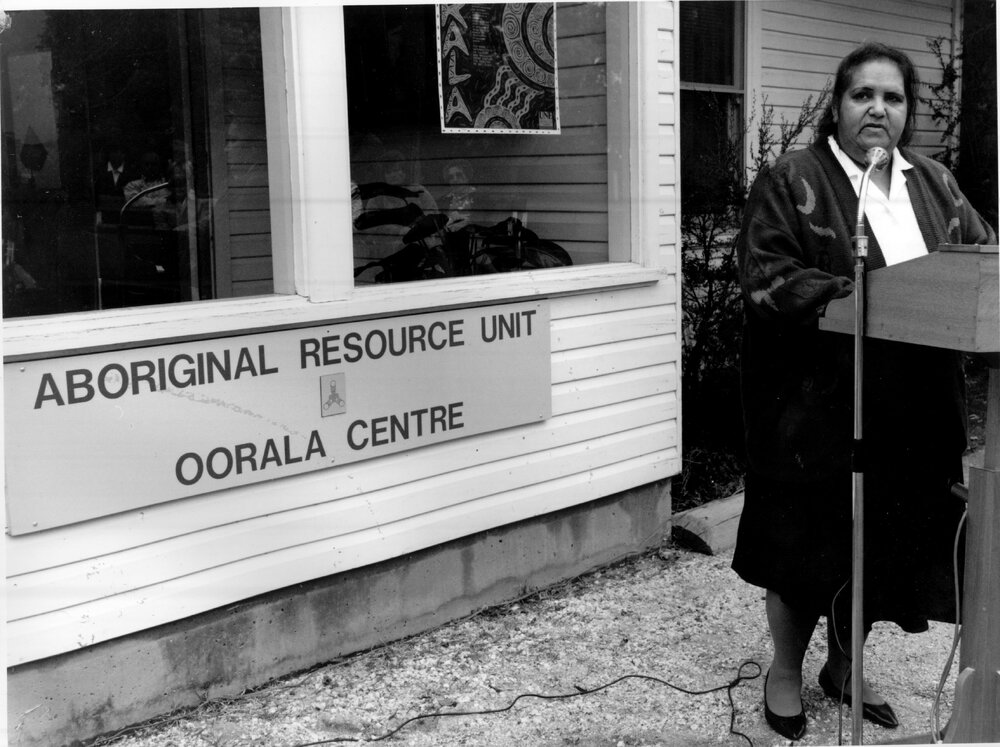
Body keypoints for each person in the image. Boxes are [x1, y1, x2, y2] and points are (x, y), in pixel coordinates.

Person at [731, 41, 996, 741]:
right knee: (801, 543)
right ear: (838, 105)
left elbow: (980, 257)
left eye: (894, 97)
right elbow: (764, 277)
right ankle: (784, 669)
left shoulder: (934, 183)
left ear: (908, 111)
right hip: (815, 405)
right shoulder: (794, 178)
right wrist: (862, 298)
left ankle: (844, 665)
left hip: (910, 407)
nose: (879, 108)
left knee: (887, 541)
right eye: (863, 95)